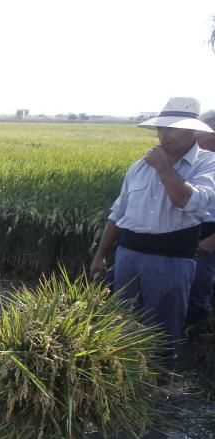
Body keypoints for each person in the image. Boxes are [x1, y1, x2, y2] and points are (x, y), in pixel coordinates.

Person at [90, 97, 215, 357]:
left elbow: (188, 200)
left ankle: (160, 385)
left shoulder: (207, 164)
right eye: (161, 128)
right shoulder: (139, 166)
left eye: (171, 128)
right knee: (121, 325)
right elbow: (118, 213)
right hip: (128, 255)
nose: (163, 135)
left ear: (192, 131)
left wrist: (164, 167)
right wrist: (101, 255)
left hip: (170, 260)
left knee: (161, 331)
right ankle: (124, 381)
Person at [185, 109, 215, 330]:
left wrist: (211, 242)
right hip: (186, 234)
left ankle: (195, 334)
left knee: (198, 286)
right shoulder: (192, 162)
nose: (194, 140)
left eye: (198, 135)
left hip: (207, 238)